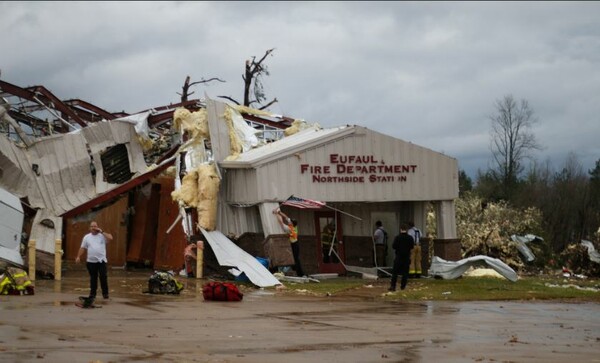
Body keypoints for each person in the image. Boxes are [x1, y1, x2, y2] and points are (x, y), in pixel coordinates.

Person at [76, 221, 113, 301]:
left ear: (98, 227)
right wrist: (78, 256)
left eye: (95, 226)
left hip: (101, 261)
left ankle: (105, 293)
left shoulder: (102, 236)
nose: (93, 228)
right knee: (93, 278)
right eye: (92, 226)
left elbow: (110, 238)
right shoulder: (87, 237)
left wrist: (102, 231)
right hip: (91, 262)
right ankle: (92, 294)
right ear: (90, 228)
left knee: (103, 276)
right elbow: (83, 248)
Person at [274, 208, 305, 277]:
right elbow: (286, 217)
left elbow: (281, 222)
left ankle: (300, 274)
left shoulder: (289, 229)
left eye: (290, 221)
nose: (289, 221)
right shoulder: (294, 225)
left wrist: (276, 214)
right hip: (295, 243)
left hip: (294, 245)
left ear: (292, 223)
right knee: (295, 259)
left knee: (296, 259)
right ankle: (298, 272)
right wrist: (279, 212)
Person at [388, 223, 414, 292]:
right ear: (407, 230)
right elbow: (412, 247)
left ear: (400, 229)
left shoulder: (397, 237)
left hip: (398, 257)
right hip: (406, 257)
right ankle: (403, 286)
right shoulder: (410, 238)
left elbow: (394, 246)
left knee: (395, 272)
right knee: (405, 273)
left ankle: (393, 286)